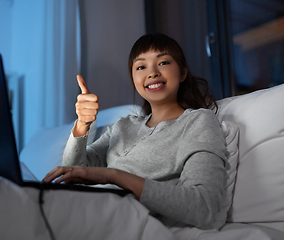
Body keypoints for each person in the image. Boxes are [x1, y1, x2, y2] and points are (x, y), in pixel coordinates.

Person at [43, 33, 228, 231]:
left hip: (120, 217)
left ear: (183, 73)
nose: (153, 72)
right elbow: (73, 169)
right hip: (85, 204)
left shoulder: (198, 121)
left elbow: (204, 208)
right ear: (133, 78)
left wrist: (113, 175)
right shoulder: (123, 126)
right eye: (141, 67)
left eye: (163, 62)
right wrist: (82, 125)